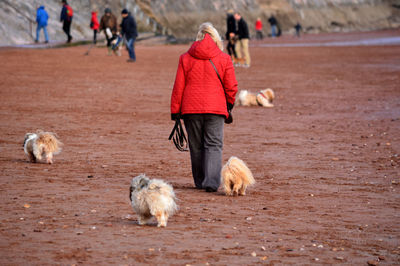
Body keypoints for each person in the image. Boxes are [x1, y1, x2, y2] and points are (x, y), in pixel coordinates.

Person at [170, 23, 238, 192]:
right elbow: (231, 87)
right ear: (216, 38)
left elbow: (178, 86)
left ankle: (200, 181)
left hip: (190, 109)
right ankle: (211, 182)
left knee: (196, 145)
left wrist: (175, 111)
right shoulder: (224, 58)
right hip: (216, 108)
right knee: (213, 144)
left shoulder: (185, 58)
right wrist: (229, 104)